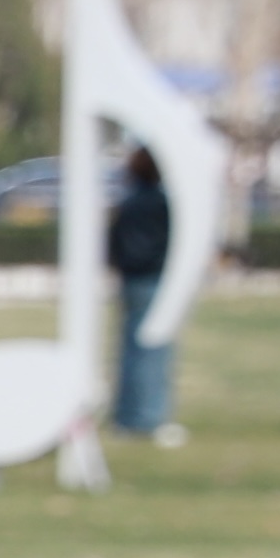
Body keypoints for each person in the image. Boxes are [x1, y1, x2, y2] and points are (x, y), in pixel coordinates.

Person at [111, 145, 185, 441]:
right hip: (152, 280)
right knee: (153, 350)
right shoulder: (162, 204)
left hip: (132, 281)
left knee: (131, 349)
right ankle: (147, 419)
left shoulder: (128, 202)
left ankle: (127, 416)